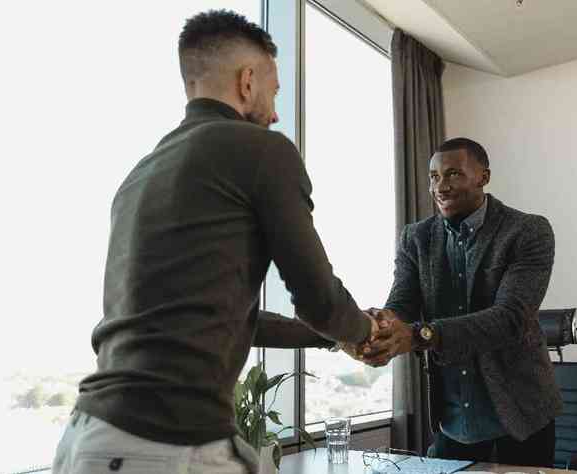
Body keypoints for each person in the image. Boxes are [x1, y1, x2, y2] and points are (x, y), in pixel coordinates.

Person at [52, 10, 377, 474]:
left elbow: (224, 317)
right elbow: (318, 298)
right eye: (274, 90)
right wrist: (367, 332)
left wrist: (329, 340)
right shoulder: (263, 151)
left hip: (89, 437)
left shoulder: (141, 173)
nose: (277, 110)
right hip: (162, 444)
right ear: (248, 82)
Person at [358, 137, 563, 467]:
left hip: (520, 416)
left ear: (483, 176)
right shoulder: (416, 237)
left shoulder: (527, 231)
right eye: (434, 176)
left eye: (453, 174)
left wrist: (421, 335)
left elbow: (509, 318)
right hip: (453, 422)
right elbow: (402, 304)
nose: (441, 186)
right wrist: (377, 326)